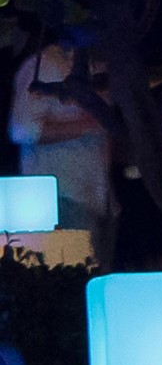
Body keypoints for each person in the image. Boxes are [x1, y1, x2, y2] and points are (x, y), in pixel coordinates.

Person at [7, 38, 115, 237]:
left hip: (96, 198)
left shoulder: (99, 69)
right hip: (59, 200)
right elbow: (21, 129)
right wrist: (91, 123)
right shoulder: (47, 64)